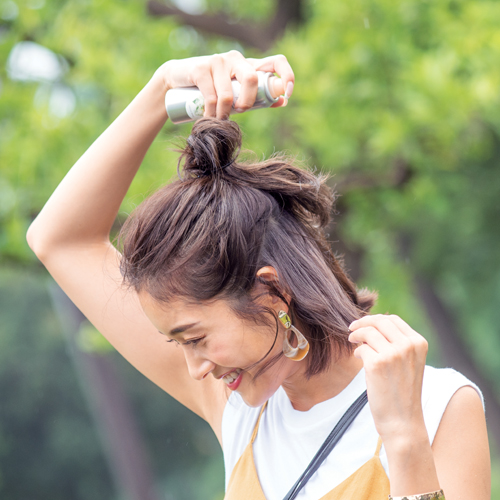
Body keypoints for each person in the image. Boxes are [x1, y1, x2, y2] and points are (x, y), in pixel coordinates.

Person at [27, 51, 490, 500]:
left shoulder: (438, 405)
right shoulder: (237, 407)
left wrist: (404, 436)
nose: (195, 368)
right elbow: (60, 241)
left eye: (195, 338)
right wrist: (161, 87)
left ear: (272, 290)